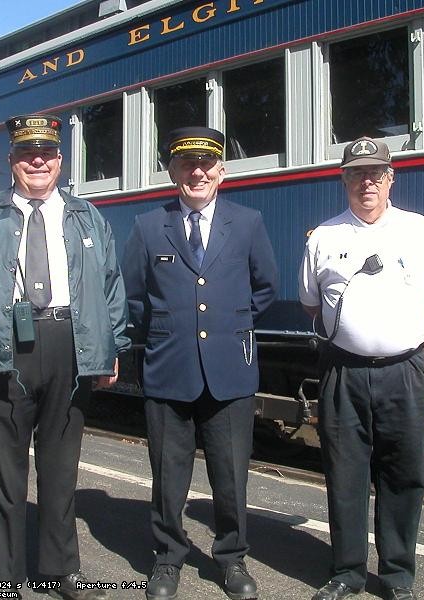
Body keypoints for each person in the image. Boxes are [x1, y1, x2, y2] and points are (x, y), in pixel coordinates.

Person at [0, 114, 129, 598]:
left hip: (69, 342)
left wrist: (112, 348)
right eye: (26, 153)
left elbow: (111, 285)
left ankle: (60, 569)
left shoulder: (86, 215)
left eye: (45, 153)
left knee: (62, 468)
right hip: (5, 346)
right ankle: (5, 575)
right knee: (6, 467)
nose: (36, 160)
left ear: (59, 161)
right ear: (12, 162)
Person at [122, 126, 278, 600]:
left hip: (230, 370)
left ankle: (231, 558)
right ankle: (168, 557)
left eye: (206, 165)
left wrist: (231, 326)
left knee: (231, 476)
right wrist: (165, 335)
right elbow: (132, 297)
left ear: (221, 173)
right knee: (169, 475)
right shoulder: (148, 226)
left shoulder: (247, 222)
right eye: (186, 165)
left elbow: (265, 286)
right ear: (173, 172)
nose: (197, 172)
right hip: (168, 370)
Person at [299, 137, 424, 600]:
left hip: (404, 373)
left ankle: (396, 576)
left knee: (404, 475)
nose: (366, 182)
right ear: (343, 179)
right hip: (342, 374)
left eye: (375, 174)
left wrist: (400, 331)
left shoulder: (419, 231)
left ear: (390, 180)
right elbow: (311, 303)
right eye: (355, 174)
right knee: (344, 475)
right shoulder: (324, 237)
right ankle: (346, 571)